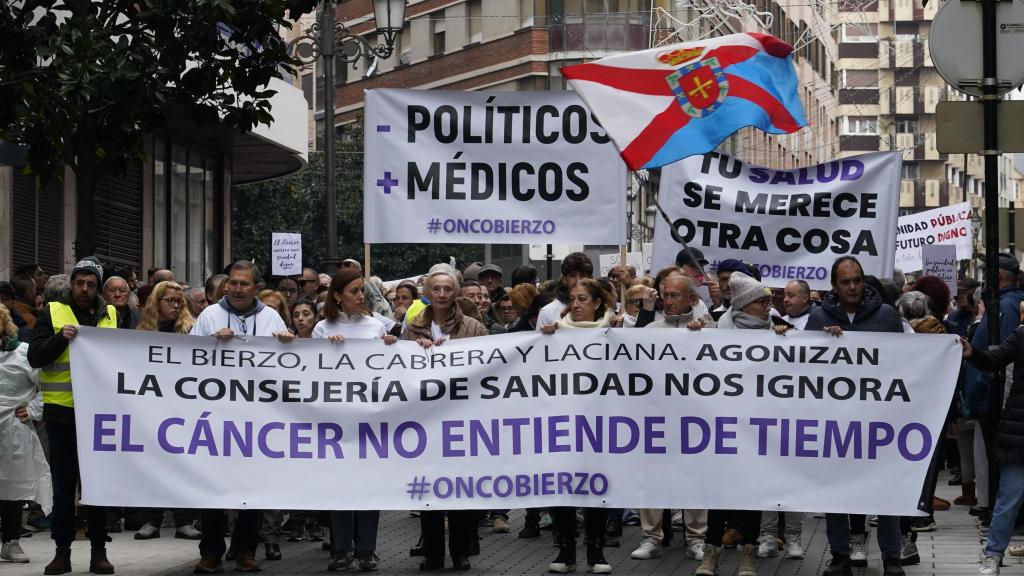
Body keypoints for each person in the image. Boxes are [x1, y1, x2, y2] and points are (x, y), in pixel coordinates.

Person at [190, 261, 294, 574]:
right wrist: (210, 344)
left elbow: (286, 365)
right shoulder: (209, 316)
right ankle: (210, 552)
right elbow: (187, 360)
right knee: (212, 488)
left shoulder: (270, 317)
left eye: (243, 284)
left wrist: (289, 344)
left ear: (256, 287)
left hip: (258, 420)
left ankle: (246, 549)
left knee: (252, 487)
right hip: (218, 417)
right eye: (232, 283)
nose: (236, 289)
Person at [806, 256, 905, 576]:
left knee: (886, 492)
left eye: (858, 280)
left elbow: (906, 363)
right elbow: (802, 366)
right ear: (834, 285)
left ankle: (891, 558)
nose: (852, 287)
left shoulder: (887, 316)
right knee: (837, 493)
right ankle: (840, 557)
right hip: (836, 422)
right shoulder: (819, 316)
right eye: (845, 281)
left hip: (878, 421)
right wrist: (822, 339)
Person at [27, 258, 118, 575]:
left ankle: (99, 552)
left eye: (91, 284)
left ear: (98, 288)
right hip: (62, 413)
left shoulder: (111, 314)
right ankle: (62, 552)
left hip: (98, 416)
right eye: (80, 282)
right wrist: (58, 339)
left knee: (97, 487)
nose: (84, 289)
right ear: (72, 283)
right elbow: (35, 356)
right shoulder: (52, 312)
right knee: (64, 488)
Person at [695, 271, 787, 576]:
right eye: (761, 301)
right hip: (722, 427)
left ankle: (748, 554)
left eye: (769, 301)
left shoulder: (777, 333)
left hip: (758, 428)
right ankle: (712, 553)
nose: (767, 306)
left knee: (752, 493)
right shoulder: (715, 329)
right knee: (719, 493)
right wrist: (691, 335)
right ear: (744, 304)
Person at [403, 267, 486, 572]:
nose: (440, 294)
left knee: (461, 489)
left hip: (462, 419)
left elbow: (486, 365)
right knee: (429, 491)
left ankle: (461, 552)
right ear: (427, 292)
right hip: (427, 421)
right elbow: (402, 369)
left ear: (455, 292)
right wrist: (412, 349)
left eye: (446, 289)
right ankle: (434, 553)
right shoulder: (414, 328)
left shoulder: (474, 327)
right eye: (435, 289)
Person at [315, 268, 395, 572]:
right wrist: (323, 349)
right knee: (339, 486)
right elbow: (311, 371)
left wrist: (390, 346)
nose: (361, 296)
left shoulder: (375, 326)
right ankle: (341, 549)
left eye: (362, 290)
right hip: (335, 420)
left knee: (368, 485)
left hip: (369, 418)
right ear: (337, 295)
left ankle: (367, 549)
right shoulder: (323, 329)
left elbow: (391, 368)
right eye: (354, 291)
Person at [630, 275, 710, 564]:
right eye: (665, 295)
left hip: (694, 419)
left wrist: (704, 332)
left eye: (675, 295)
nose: (668, 301)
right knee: (653, 476)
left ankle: (697, 538)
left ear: (692, 299)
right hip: (657, 418)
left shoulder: (707, 330)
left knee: (695, 478)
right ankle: (651, 537)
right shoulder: (651, 330)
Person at [540, 278, 613, 574]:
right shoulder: (555, 333)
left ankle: (596, 550)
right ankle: (565, 550)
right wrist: (544, 339)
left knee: (597, 486)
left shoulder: (613, 332)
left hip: (601, 421)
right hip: (564, 421)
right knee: (563, 486)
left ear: (597, 303)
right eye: (573, 299)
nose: (577, 304)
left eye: (583, 299)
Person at [131, 281, 203, 541]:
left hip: (184, 408)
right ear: (156, 304)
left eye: (179, 301)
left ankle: (184, 520)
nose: (175, 306)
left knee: (181, 465)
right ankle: (152, 520)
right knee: (154, 466)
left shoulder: (192, 331)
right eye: (169, 301)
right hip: (152, 408)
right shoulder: (142, 332)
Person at [962, 323, 1024, 576]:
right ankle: (993, 555)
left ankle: (993, 555)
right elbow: (993, 359)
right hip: (1020, 432)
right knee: (1009, 497)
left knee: (1009, 497)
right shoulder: (1022, 334)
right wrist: (972, 353)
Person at [0, 303, 49, 564]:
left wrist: (31, 408)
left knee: (13, 486)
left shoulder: (23, 353)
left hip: (13, 429)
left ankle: (10, 541)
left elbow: (45, 385)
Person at [537, 252, 593, 330]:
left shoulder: (602, 310)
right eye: (572, 276)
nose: (578, 281)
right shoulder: (547, 313)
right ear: (564, 279)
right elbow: (540, 342)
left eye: (583, 275)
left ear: (591, 279)